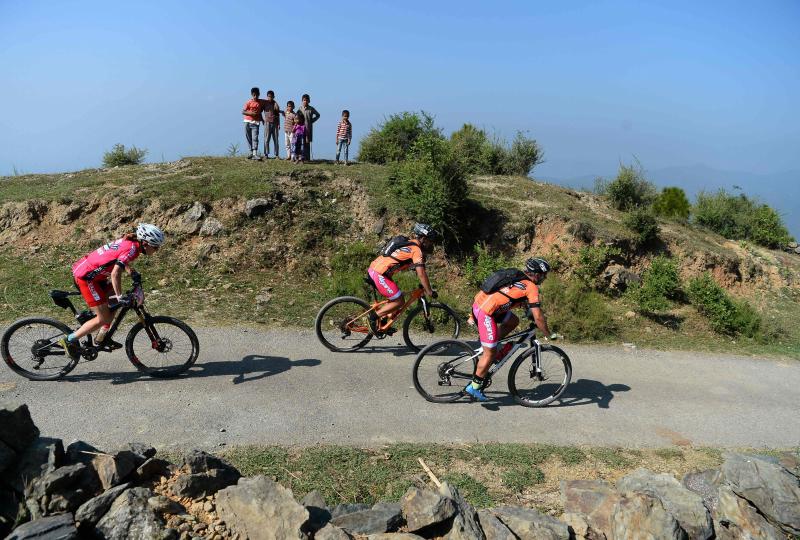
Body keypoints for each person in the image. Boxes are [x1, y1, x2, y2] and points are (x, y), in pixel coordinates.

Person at [60, 224, 166, 358]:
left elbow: (119, 258)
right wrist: (120, 295)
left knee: (114, 303)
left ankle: (102, 336)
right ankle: (68, 340)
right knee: (103, 317)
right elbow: (115, 273)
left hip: (95, 275)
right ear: (145, 243)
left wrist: (131, 272)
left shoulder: (133, 244)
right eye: (155, 247)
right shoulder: (132, 249)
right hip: (86, 278)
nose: (157, 250)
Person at [466, 257, 555, 401]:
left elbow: (514, 298)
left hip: (480, 304)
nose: (544, 278)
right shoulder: (531, 287)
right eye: (544, 275)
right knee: (490, 352)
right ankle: (474, 387)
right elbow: (538, 317)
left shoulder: (518, 276)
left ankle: (490, 344)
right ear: (537, 274)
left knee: (513, 321)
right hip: (485, 312)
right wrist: (548, 334)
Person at [366, 223, 437, 333]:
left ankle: (383, 321)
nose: (431, 244)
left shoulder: (408, 244)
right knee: (399, 301)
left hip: (376, 270)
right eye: (430, 241)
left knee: (397, 296)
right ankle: (373, 317)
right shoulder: (416, 250)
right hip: (380, 273)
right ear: (423, 238)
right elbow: (421, 273)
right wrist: (429, 291)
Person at [241, 87, 266, 160]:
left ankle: (255, 153)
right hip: (247, 121)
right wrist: (250, 113)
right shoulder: (248, 102)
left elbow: (260, 112)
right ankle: (251, 153)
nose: (255, 96)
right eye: (254, 95)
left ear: (259, 94)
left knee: (255, 137)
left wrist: (262, 120)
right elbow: (243, 111)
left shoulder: (261, 102)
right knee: (248, 137)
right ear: (252, 94)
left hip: (256, 122)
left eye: (257, 95)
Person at [297, 94, 320, 161]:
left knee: (307, 143)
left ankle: (307, 158)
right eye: (304, 100)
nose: (305, 101)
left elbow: (318, 115)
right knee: (301, 143)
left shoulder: (311, 109)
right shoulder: (300, 108)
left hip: (308, 128)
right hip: (300, 129)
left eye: (307, 100)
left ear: (309, 101)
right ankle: (301, 158)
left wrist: (312, 121)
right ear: (302, 101)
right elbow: (296, 117)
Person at [263, 90, 281, 159]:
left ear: (273, 97)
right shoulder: (264, 103)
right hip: (267, 123)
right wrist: (262, 119)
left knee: (276, 139)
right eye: (269, 96)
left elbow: (278, 114)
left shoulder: (275, 104)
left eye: (271, 96)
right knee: (266, 139)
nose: (270, 98)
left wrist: (279, 124)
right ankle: (266, 154)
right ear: (267, 96)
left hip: (275, 123)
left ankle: (276, 155)